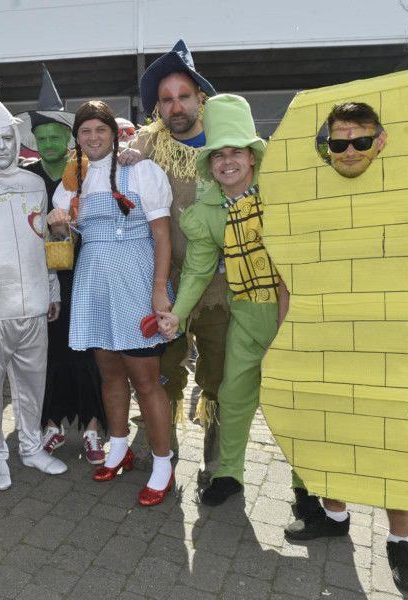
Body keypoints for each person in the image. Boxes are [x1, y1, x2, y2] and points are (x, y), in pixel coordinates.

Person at [281, 102, 408, 594]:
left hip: (397, 345)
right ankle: (335, 516)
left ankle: (400, 544)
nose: (349, 150)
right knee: (333, 436)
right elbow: (292, 269)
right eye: (338, 141)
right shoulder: (313, 195)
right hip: (330, 341)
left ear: (380, 141)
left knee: (396, 448)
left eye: (361, 140)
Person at [48, 100, 176, 506]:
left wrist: (159, 288)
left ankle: (162, 462)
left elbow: (161, 235)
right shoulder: (74, 179)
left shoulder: (141, 169)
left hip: (135, 278)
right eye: (84, 132)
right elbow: (55, 225)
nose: (92, 137)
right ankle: (118, 448)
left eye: (99, 130)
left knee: (146, 379)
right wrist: (54, 222)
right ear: (78, 139)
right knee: (109, 374)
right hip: (93, 281)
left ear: (114, 133)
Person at [158, 94, 280, 507]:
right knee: (232, 393)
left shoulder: (281, 196)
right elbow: (197, 270)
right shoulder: (207, 211)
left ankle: (306, 487)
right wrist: (176, 315)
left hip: (289, 314)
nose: (227, 161)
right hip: (245, 313)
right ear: (209, 164)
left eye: (236, 152)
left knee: (295, 398)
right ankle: (229, 473)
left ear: (252, 156)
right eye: (218, 155)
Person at [123, 39, 228, 484]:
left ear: (199, 97)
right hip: (166, 285)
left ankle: (219, 456)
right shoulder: (150, 145)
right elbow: (110, 156)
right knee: (164, 371)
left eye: (184, 95)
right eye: (166, 99)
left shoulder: (228, 143)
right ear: (158, 109)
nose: (176, 105)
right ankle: (162, 442)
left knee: (219, 377)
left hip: (223, 288)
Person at [0, 64, 106, 463]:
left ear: (69, 138)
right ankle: (51, 422)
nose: (50, 142)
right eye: (42, 137)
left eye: (57, 135)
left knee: (88, 353)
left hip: (87, 274)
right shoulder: (25, 177)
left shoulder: (91, 173)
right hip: (42, 279)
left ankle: (93, 427)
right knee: (50, 353)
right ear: (34, 142)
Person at [0, 81, 66, 491]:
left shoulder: (34, 184)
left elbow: (44, 238)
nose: (2, 146)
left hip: (35, 304)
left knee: (32, 381)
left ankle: (32, 446)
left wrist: (52, 289)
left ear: (18, 141)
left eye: (7, 138)